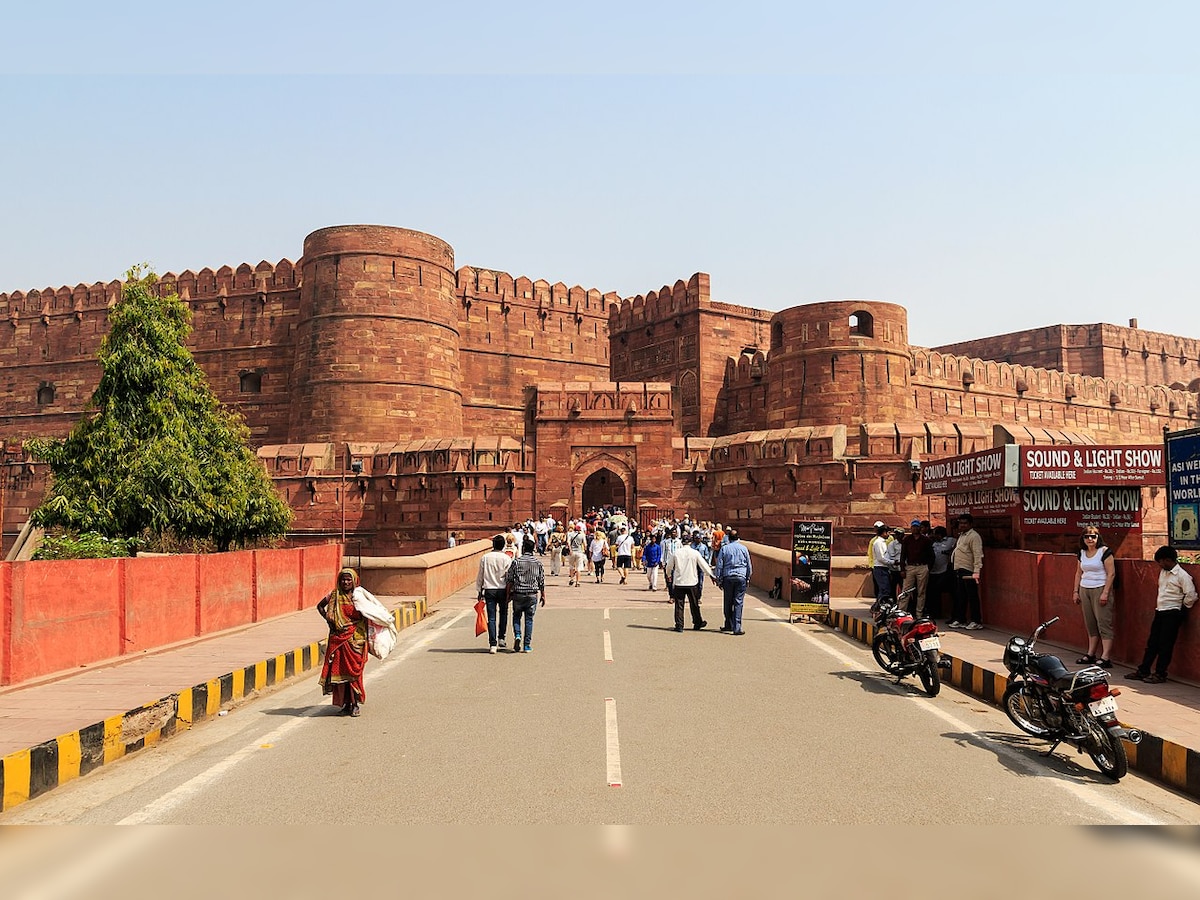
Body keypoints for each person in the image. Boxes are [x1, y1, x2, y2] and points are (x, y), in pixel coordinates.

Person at [1126, 546, 1196, 684]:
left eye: (1161, 562)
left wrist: (1182, 608)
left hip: (1173, 612)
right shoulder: (1164, 572)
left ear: (1168, 560)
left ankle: (1160, 673)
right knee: (1152, 643)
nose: (1159, 565)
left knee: (1166, 644)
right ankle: (1144, 670)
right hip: (1160, 610)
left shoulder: (1182, 576)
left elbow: (1191, 595)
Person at [317, 568, 369, 716]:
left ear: (354, 581)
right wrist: (329, 621)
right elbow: (320, 606)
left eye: (348, 579)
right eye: (343, 579)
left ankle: (355, 704)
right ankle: (345, 704)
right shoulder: (334, 595)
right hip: (338, 640)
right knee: (340, 673)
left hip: (355, 640)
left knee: (354, 673)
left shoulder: (359, 596)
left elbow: (370, 613)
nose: (345, 582)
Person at [1072, 527, 1116, 668]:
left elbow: (1111, 574)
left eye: (1093, 536)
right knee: (1090, 623)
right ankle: (1091, 653)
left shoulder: (1104, 552)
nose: (1090, 539)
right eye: (1087, 537)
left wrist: (1105, 592)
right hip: (1085, 588)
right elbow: (1078, 573)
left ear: (1098, 538)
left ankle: (1105, 656)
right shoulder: (1082, 553)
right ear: (1083, 539)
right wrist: (1075, 591)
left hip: (1100, 588)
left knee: (1103, 622)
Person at [664, 531, 713, 631]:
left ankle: (679, 625)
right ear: (690, 542)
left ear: (682, 542)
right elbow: (704, 565)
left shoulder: (676, 553)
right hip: (692, 582)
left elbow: (669, 566)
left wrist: (668, 575)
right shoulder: (695, 553)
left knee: (679, 605)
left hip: (679, 582)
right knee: (694, 604)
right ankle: (697, 622)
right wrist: (712, 575)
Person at [506, 537, 546, 653]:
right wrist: (543, 595)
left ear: (523, 548)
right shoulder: (538, 563)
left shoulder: (516, 562)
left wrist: (508, 594)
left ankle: (517, 635)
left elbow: (510, 579)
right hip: (532, 594)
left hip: (518, 594)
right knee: (529, 620)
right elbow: (541, 581)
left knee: (516, 616)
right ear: (533, 549)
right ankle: (527, 645)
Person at [476, 534, 513, 653]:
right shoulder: (507, 558)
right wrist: (510, 591)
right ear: (503, 546)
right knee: (503, 614)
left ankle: (493, 644)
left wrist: (479, 590)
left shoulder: (485, 558)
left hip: (489, 589)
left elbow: (480, 576)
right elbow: (509, 577)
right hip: (502, 589)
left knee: (491, 617)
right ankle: (501, 638)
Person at [714, 528, 753, 635]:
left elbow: (719, 565)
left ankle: (728, 624)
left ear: (729, 538)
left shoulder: (724, 549)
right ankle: (737, 627)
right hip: (741, 576)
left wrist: (718, 578)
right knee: (738, 602)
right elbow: (749, 565)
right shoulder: (744, 548)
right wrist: (748, 577)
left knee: (728, 601)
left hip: (728, 577)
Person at [949, 514, 984, 629]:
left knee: (972, 596)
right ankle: (961, 619)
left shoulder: (974, 536)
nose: (962, 525)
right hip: (960, 569)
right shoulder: (962, 535)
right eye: (961, 523)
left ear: (970, 524)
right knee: (961, 596)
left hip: (969, 570)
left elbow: (978, 555)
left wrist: (976, 572)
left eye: (965, 523)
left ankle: (976, 621)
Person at [900, 519, 935, 617]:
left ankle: (919, 613)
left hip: (922, 567)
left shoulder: (926, 540)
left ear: (920, 528)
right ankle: (901, 612)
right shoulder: (907, 540)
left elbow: (931, 555)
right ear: (911, 528)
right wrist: (902, 569)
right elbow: (903, 555)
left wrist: (928, 568)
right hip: (910, 567)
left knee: (921, 591)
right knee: (906, 590)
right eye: (913, 527)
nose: (915, 529)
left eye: (917, 527)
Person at [927, 525, 956, 620]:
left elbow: (955, 548)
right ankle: (935, 613)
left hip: (945, 571)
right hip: (933, 571)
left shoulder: (951, 541)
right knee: (933, 593)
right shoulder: (933, 543)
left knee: (949, 592)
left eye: (935, 534)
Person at [868, 521, 891, 601]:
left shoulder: (884, 541)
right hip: (880, 568)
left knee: (884, 589)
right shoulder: (878, 543)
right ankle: (878, 607)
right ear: (884, 532)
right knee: (884, 590)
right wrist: (892, 562)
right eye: (888, 532)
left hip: (883, 567)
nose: (889, 534)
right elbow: (881, 558)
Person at [567, 523, 587, 587]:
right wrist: (584, 550)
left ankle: (572, 578)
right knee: (578, 568)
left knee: (571, 566)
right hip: (579, 552)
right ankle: (577, 582)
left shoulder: (570, 534)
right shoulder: (582, 535)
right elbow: (585, 544)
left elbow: (568, 542)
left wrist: (570, 550)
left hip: (572, 552)